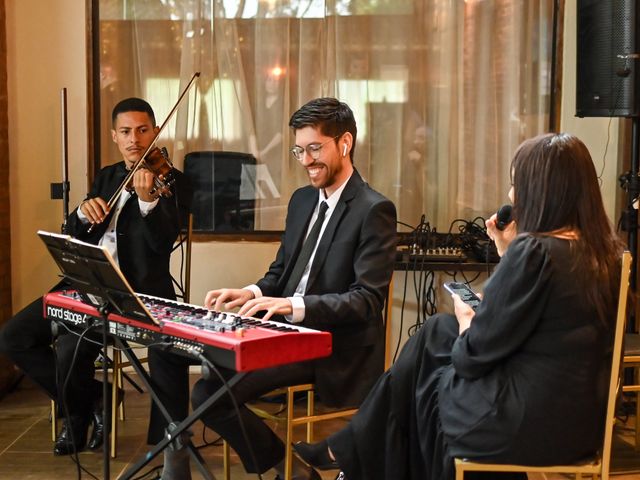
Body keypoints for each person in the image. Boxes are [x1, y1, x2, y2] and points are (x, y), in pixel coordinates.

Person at [294, 132, 625, 480]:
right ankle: (349, 450)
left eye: (517, 184)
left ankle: (351, 452)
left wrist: (468, 315)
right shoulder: (602, 253)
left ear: (541, 190)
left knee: (424, 375)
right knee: (437, 332)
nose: (512, 195)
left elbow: (471, 357)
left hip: (520, 425)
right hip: (576, 426)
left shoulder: (535, 252)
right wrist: (507, 255)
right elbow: (540, 320)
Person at [151, 97, 397, 480]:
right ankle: (278, 466)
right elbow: (280, 272)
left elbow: (367, 301)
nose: (305, 160)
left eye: (315, 148)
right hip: (281, 328)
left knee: (209, 394)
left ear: (345, 143)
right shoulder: (302, 201)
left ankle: (288, 468)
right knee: (171, 353)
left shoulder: (374, 209)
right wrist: (250, 292)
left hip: (331, 344)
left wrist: (291, 306)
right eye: (299, 150)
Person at [0, 97, 192, 456]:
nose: (134, 139)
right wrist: (83, 214)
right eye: (125, 132)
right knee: (13, 337)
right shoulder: (107, 176)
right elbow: (76, 233)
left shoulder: (175, 182)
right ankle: (99, 398)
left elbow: (163, 244)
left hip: (137, 293)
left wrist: (149, 201)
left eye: (142, 130)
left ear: (155, 131)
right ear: (114, 136)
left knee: (71, 347)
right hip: (86, 284)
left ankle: (75, 418)